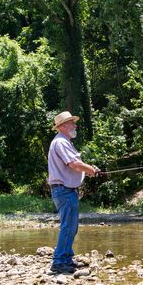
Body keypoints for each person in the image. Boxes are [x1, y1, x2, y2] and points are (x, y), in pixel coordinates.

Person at [47, 111, 99, 275]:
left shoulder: (62, 142)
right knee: (68, 227)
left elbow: (76, 164)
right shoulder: (61, 142)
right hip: (64, 190)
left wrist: (90, 169)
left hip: (64, 190)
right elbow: (74, 164)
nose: (75, 125)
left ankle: (66, 258)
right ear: (62, 126)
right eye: (71, 123)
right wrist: (91, 170)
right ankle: (60, 262)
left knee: (71, 227)